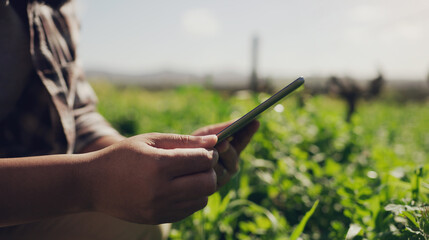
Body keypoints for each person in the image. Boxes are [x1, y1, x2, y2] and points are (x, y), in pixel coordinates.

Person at [0, 0, 259, 239]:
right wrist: (91, 182)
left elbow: (77, 115)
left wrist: (147, 164)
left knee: (142, 224)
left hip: (45, 199)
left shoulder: (56, 7)